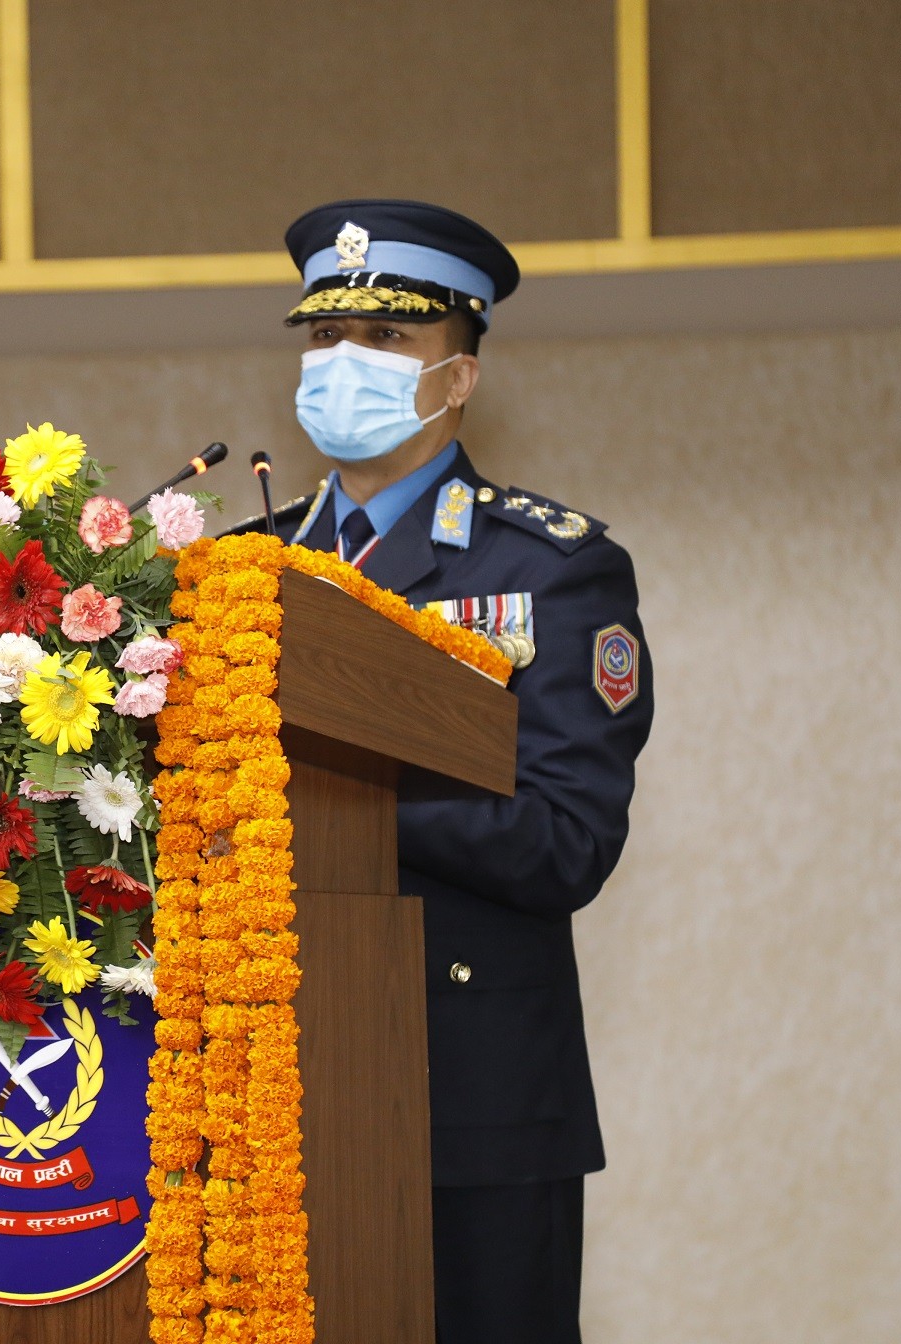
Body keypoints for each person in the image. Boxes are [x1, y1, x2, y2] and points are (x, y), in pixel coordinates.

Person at [241, 199, 654, 1343]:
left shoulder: (556, 573)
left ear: (458, 378)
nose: (342, 366)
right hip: (258, 1084)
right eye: (324, 340)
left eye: (385, 343)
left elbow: (568, 840)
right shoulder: (232, 577)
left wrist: (333, 805)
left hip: (473, 1095)